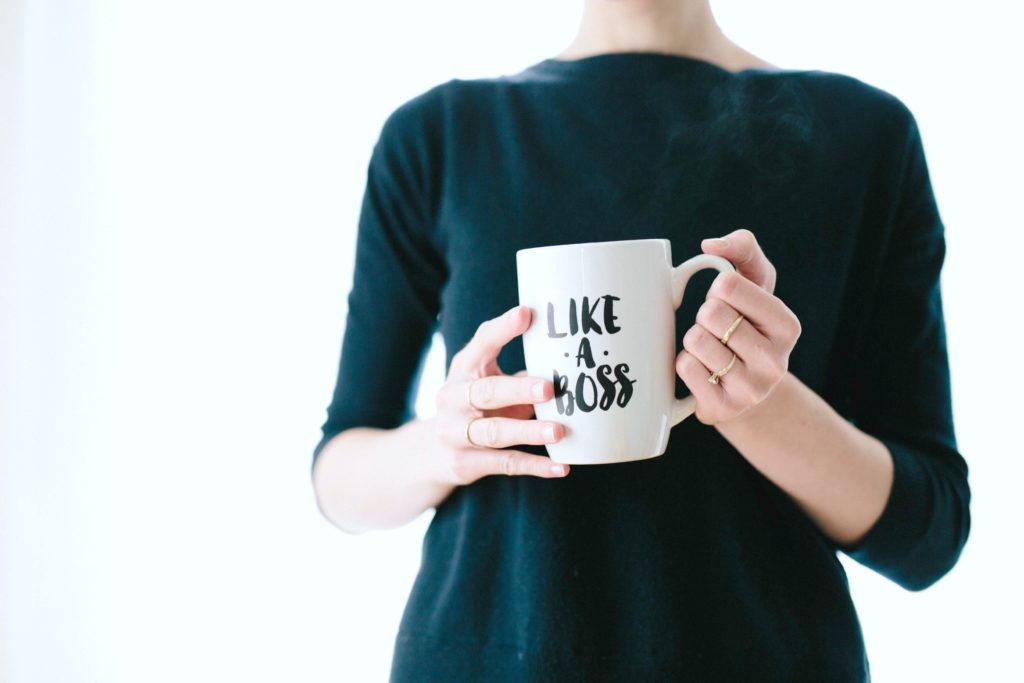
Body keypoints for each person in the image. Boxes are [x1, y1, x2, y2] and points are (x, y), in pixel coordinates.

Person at [310, 0, 971, 680]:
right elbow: (338, 475)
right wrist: (447, 442)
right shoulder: (439, 137)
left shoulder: (863, 137)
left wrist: (759, 405)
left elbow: (929, 532)